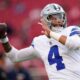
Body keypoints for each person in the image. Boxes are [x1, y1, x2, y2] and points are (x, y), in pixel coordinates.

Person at [0, 3, 80, 80]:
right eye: (53, 17)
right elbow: (15, 56)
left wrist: (51, 33)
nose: (59, 20)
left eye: (60, 16)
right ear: (45, 20)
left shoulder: (71, 30)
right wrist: (3, 38)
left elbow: (75, 43)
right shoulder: (40, 42)